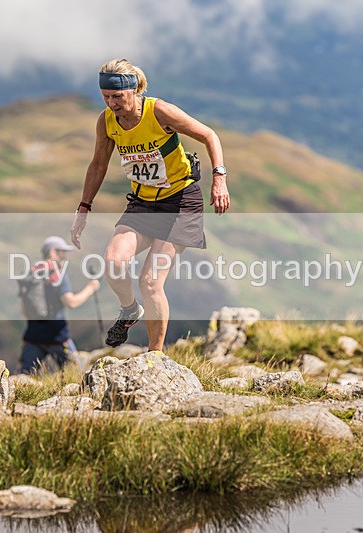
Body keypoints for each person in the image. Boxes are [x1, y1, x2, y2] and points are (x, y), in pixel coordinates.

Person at [70, 58, 230, 352]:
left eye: (117, 96)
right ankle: (129, 310)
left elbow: (209, 135)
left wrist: (218, 178)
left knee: (150, 281)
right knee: (114, 263)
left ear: (134, 90)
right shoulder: (106, 121)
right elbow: (97, 165)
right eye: (105, 96)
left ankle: (155, 356)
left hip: (180, 202)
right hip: (143, 202)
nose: (111, 103)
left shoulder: (159, 111)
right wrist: (83, 208)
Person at [19, 235, 100, 373]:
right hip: (57, 335)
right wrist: (91, 288)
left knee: (25, 375)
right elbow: (71, 302)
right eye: (62, 252)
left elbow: (23, 309)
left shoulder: (30, 274)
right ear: (52, 252)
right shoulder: (58, 275)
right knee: (77, 374)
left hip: (33, 335)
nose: (65, 257)